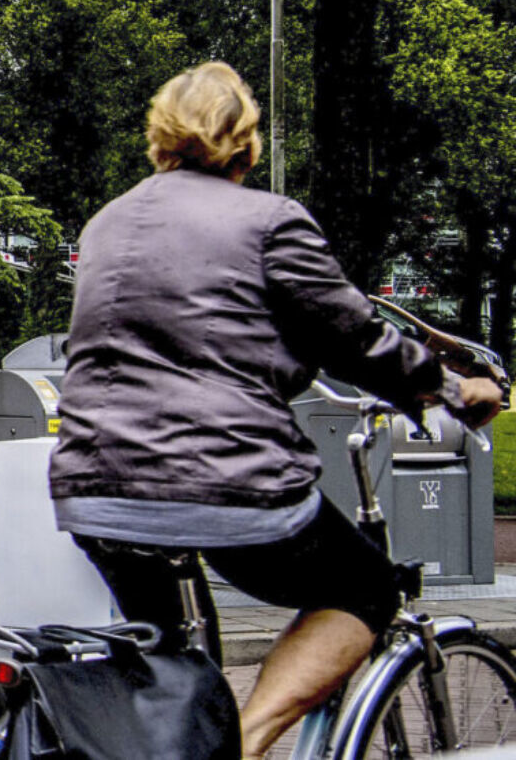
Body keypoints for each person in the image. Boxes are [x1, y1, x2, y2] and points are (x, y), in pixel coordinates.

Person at [48, 61, 504, 759]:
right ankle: (248, 743)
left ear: (159, 136)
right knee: (365, 586)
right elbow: (352, 333)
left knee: (172, 669)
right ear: (246, 140)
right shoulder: (268, 220)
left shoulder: (109, 221)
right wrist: (446, 387)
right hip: (225, 483)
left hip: (95, 489)